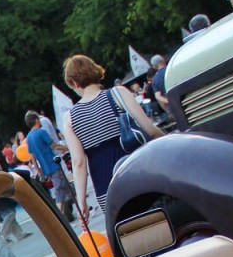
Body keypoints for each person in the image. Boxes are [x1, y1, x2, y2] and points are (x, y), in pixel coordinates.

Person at [61, 54, 165, 220]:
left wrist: (82, 201)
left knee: (125, 228)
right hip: (136, 172)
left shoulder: (70, 118)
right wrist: (168, 138)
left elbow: (79, 163)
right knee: (160, 217)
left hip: (105, 187)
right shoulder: (118, 94)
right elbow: (150, 130)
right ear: (94, 70)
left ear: (74, 82)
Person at [25, 111, 76, 221]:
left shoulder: (28, 138)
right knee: (59, 191)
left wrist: (39, 171)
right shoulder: (41, 132)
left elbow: (32, 157)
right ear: (36, 120)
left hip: (45, 168)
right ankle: (58, 218)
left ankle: (80, 206)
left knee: (67, 187)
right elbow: (54, 146)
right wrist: (70, 148)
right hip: (53, 164)